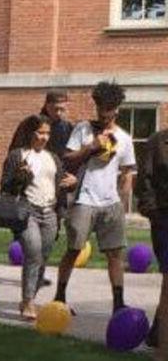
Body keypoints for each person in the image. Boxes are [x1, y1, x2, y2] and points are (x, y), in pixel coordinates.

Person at [53, 81, 136, 314]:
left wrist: (123, 196)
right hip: (84, 200)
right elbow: (68, 159)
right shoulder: (83, 129)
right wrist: (91, 147)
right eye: (100, 108)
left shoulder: (125, 138)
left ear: (116, 109)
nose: (103, 113)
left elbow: (128, 171)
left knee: (115, 254)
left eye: (108, 109)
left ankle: (118, 304)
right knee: (74, 249)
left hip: (111, 203)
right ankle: (60, 298)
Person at [0, 115, 76, 319]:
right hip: (27, 212)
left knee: (43, 258)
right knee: (33, 253)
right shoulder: (18, 155)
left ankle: (30, 297)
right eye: (40, 132)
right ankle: (28, 302)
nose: (44, 137)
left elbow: (59, 184)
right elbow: (5, 187)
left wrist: (72, 183)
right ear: (31, 132)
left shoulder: (53, 158)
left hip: (49, 212)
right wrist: (19, 178)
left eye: (47, 133)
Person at [135, 125, 168, 361]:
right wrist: (153, 212)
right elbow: (143, 182)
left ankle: (158, 333)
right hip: (165, 220)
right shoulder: (159, 142)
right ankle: (159, 336)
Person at [40, 88, 74, 161]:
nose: (58, 113)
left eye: (62, 109)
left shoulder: (67, 127)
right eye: (55, 109)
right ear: (47, 106)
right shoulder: (33, 124)